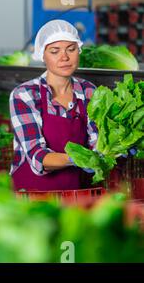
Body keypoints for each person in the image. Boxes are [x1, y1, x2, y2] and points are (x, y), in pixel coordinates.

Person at [9, 19, 99, 191]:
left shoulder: (89, 91)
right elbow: (37, 155)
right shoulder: (25, 94)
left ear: (78, 51)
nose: (64, 57)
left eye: (71, 49)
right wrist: (77, 158)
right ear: (42, 55)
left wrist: (112, 151)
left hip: (78, 193)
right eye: (54, 51)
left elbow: (96, 142)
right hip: (33, 195)